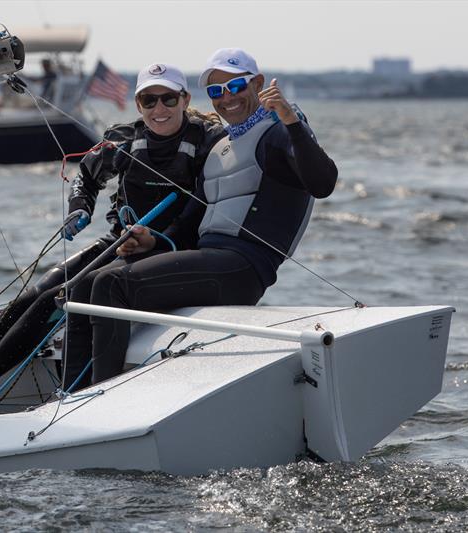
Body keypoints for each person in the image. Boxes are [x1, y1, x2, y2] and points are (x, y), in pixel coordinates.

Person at [0, 63, 226, 416]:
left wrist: (157, 241)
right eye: (149, 100)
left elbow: (200, 212)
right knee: (34, 293)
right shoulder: (126, 140)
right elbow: (87, 176)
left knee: (57, 299)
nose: (159, 109)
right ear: (138, 104)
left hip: (166, 249)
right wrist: (80, 208)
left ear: (184, 99)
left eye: (168, 99)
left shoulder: (207, 143)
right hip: (120, 240)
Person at [63, 48, 338, 388]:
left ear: (258, 84)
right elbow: (189, 225)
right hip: (206, 260)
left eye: (235, 86)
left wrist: (291, 121)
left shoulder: (277, 132)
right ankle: (69, 394)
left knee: (110, 286)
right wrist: (154, 241)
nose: (226, 98)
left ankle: (99, 396)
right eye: (216, 91)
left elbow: (323, 183)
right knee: (82, 289)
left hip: (243, 268)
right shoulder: (221, 148)